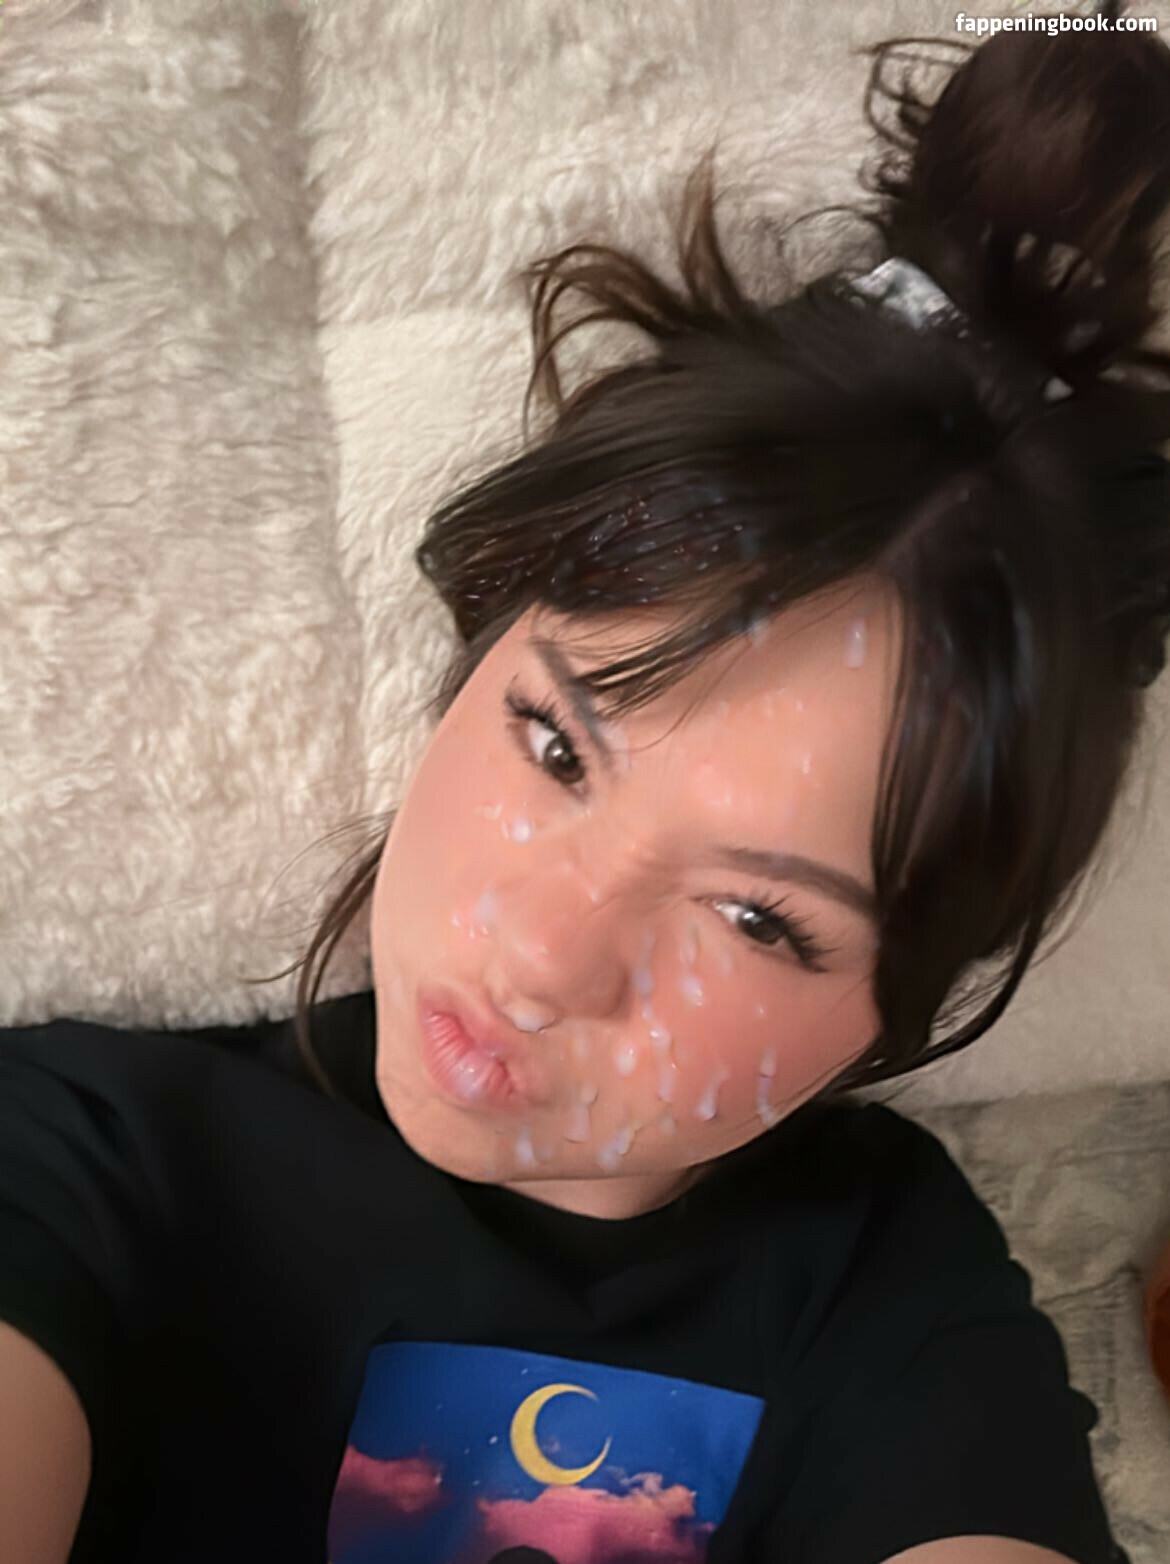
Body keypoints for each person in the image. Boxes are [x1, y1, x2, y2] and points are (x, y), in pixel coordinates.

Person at [3, 17, 1170, 1564]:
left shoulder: (885, 1297)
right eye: (556, 748)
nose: (545, 958)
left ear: (905, 1001)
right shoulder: (84, 1152)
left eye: (756, 917)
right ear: (471, 663)